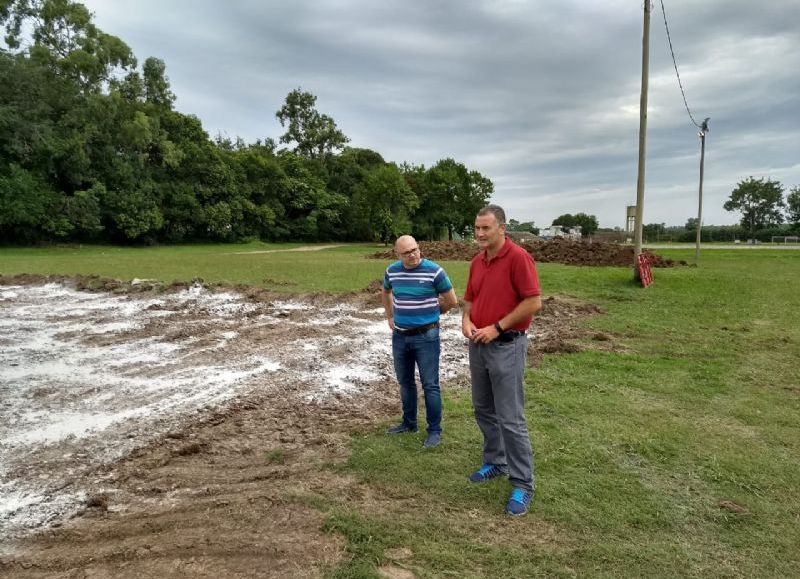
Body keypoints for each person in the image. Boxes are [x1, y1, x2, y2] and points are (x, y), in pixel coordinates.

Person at [461, 205, 542, 515]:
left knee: (510, 417)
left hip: (506, 345)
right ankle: (496, 462)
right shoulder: (477, 262)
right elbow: (469, 300)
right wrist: (466, 320)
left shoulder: (518, 258)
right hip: (478, 344)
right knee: (483, 408)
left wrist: (497, 328)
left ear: (502, 229)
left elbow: (533, 302)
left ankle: (523, 483)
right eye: (477, 228)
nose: (480, 234)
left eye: (486, 228)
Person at [382, 235, 458, 448]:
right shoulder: (392, 271)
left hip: (427, 336)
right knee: (405, 382)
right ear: (398, 254)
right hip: (400, 336)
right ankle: (409, 423)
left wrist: (433, 313)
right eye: (407, 252)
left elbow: (452, 300)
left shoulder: (435, 271)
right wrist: (389, 315)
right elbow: (386, 291)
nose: (413, 255)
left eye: (415, 249)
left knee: (430, 384)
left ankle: (434, 431)